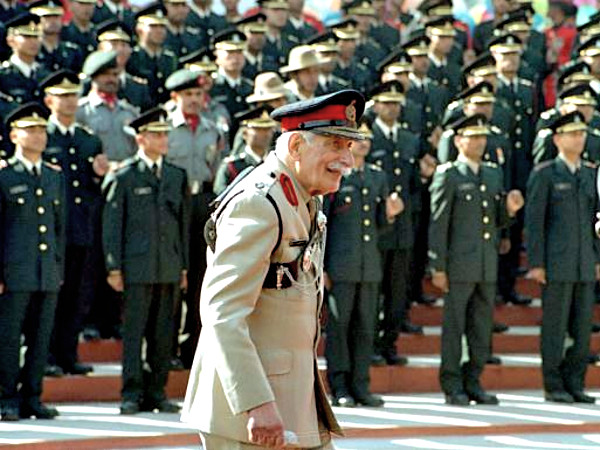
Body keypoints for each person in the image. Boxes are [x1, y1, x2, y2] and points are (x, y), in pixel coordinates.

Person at [181, 89, 366, 449]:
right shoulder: (260, 202)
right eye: (335, 145)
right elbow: (222, 312)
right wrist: (256, 404)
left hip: (291, 404)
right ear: (296, 146)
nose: (347, 160)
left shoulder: (300, 195)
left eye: (349, 146)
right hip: (250, 415)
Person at [429, 114, 524, 405]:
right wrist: (438, 266)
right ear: (459, 141)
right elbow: (438, 223)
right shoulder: (449, 174)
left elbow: (496, 220)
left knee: (481, 327)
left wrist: (509, 211)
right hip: (458, 264)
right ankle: (452, 384)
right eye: (474, 137)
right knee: (455, 327)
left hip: (485, 262)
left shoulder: (492, 173)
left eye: (483, 137)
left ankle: (474, 381)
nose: (480, 142)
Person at [102, 107, 190, 414]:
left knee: (164, 333)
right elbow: (112, 224)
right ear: (141, 139)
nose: (164, 139)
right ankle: (131, 392)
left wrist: (183, 266)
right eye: (157, 135)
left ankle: (157, 392)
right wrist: (113, 266)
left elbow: (183, 223)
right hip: (136, 267)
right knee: (134, 333)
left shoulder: (176, 175)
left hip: (168, 265)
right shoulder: (125, 175)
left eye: (166, 134)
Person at [324, 122, 403, 408]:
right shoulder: (335, 175)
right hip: (340, 266)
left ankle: (361, 385)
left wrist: (391, 216)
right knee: (339, 327)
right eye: (358, 139)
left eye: (367, 139)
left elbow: (379, 228)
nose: (363, 143)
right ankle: (340, 386)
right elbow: (324, 224)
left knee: (365, 327)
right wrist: (321, 268)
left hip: (368, 266)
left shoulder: (376, 177)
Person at [526, 111, 599, 404]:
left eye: (582, 133)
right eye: (572, 133)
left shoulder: (589, 173)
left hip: (584, 262)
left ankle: (575, 382)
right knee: (555, 328)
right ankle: (553, 384)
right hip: (556, 263)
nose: (579, 139)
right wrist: (537, 263)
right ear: (557, 139)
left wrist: (596, 258)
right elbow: (535, 222)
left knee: (582, 328)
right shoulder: (545, 173)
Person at [0, 102, 66, 421]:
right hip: (14, 272)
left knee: (41, 339)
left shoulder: (54, 176)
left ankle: (33, 396)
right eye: (31, 130)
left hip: (46, 272)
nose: (39, 136)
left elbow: (58, 227)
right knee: (10, 338)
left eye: (42, 130)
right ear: (14, 135)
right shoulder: (5, 175)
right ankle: (7, 398)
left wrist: (58, 268)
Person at [41, 69, 107, 376]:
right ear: (48, 100)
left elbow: (92, 189)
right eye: (62, 96)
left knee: (76, 296)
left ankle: (68, 354)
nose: (69, 102)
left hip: (80, 228)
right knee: (50, 296)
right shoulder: (42, 136)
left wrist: (98, 174)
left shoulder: (88, 140)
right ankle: (47, 356)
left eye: (72, 96)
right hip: (50, 230)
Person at [164, 68, 222, 369]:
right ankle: (167, 349)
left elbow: (215, 168)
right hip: (171, 204)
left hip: (201, 202)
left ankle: (192, 349)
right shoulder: (166, 128)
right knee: (173, 277)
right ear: (175, 97)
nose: (194, 100)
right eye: (188, 95)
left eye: (198, 94)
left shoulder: (213, 129)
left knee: (201, 278)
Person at [76, 50, 137, 162]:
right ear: (93, 78)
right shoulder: (81, 111)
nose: (111, 79)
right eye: (105, 74)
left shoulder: (130, 112)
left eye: (115, 74)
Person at [214, 105, 278, 195]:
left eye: (268, 129)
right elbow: (220, 192)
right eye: (259, 129)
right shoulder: (231, 166)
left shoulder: (275, 163)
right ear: (244, 134)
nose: (265, 134)